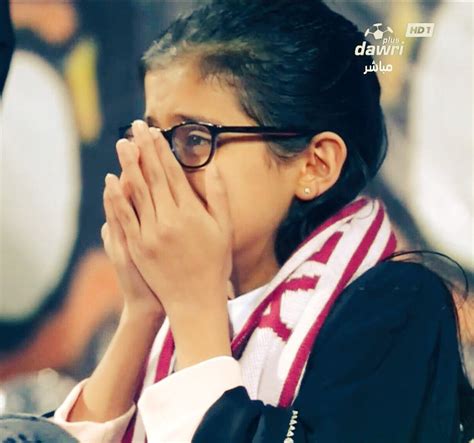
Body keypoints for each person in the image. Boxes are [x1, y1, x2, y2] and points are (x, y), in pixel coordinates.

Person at [44, 0, 473, 442]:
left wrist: (194, 310)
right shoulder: (176, 317)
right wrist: (143, 309)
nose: (160, 168)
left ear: (315, 165)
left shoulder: (397, 306)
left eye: (195, 139)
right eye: (153, 139)